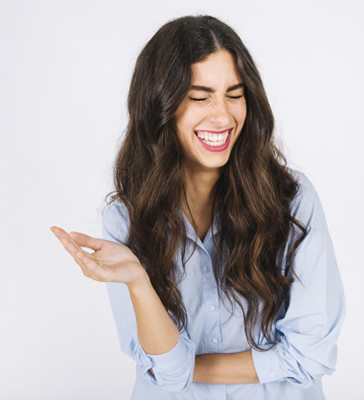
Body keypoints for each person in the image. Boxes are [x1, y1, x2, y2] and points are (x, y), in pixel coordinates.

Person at [50, 15, 345, 399]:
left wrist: (181, 365)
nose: (222, 115)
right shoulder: (125, 221)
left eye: (234, 94)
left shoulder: (293, 200)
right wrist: (139, 283)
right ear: (161, 105)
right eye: (200, 97)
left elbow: (311, 355)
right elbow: (166, 374)